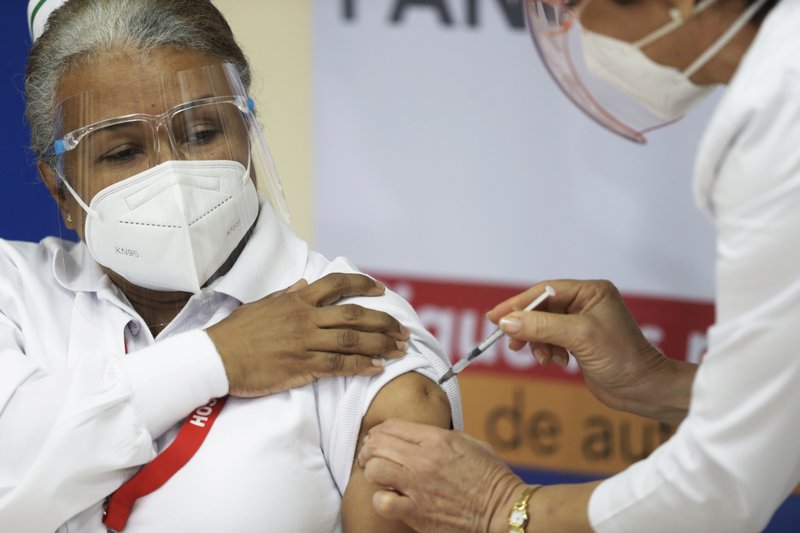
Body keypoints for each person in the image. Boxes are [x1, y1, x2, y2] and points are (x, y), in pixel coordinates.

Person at [0, 1, 462, 531]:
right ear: (60, 190)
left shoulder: (349, 327)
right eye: (122, 152)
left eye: (201, 133)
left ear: (247, 129)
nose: (170, 171)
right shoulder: (16, 293)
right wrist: (215, 359)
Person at [357, 0, 800, 531]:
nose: (573, 27)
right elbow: (781, 417)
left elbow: (723, 483)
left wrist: (502, 507)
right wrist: (657, 382)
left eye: (572, 4)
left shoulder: (783, 119)